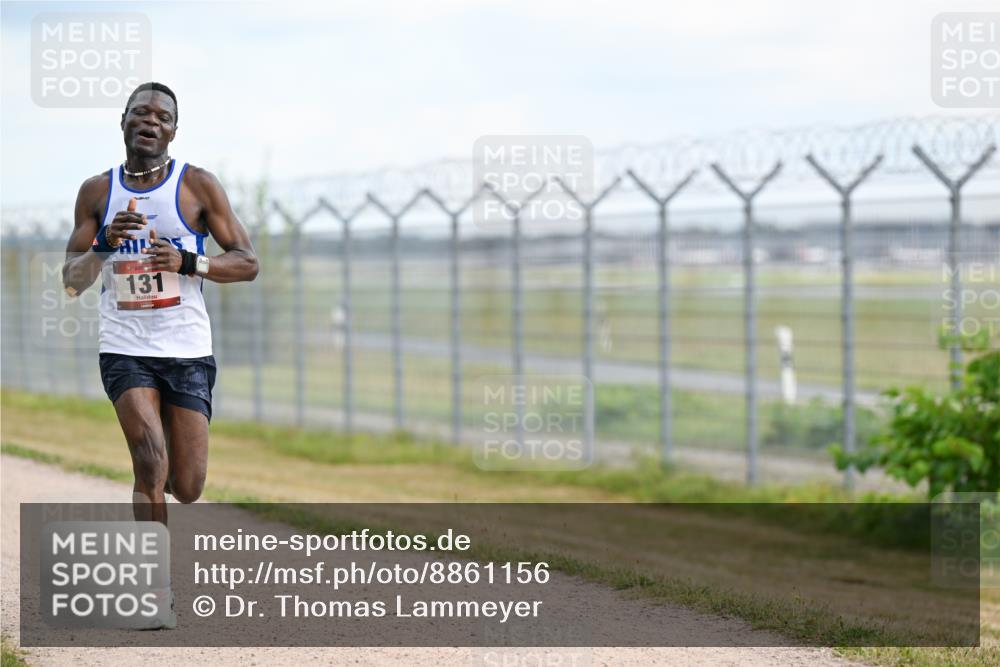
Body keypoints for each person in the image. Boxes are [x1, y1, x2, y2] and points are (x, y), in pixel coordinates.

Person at [62, 82, 259, 528]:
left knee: (187, 486)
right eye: (141, 113)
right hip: (124, 345)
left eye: (162, 117)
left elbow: (247, 263)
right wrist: (104, 242)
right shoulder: (96, 192)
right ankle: (155, 584)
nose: (151, 121)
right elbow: (73, 282)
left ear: (173, 131)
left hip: (186, 347)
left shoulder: (198, 185)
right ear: (124, 121)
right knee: (149, 460)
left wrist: (189, 261)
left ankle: (167, 474)